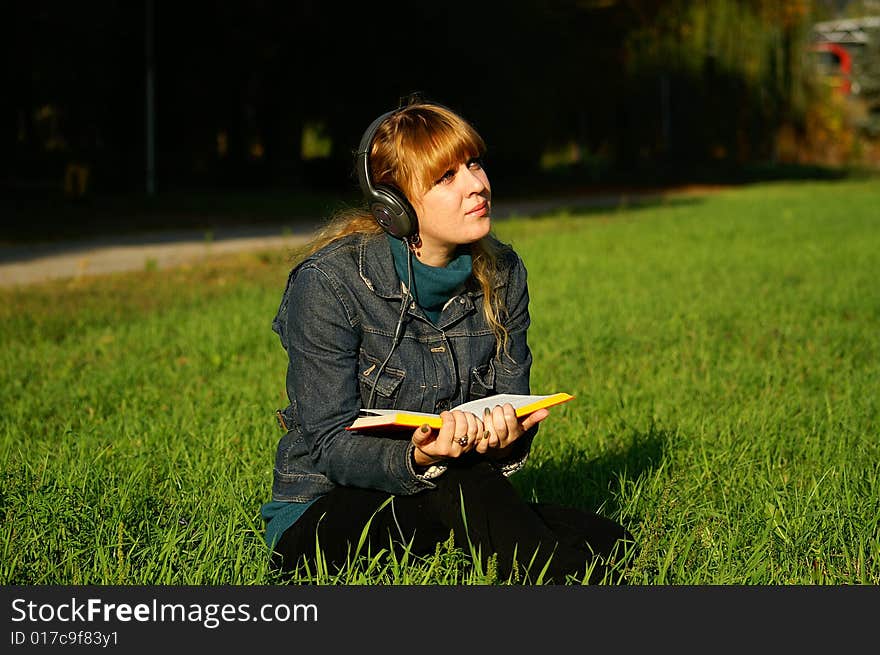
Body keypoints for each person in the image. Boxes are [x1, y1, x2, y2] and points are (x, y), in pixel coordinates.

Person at [261, 98, 634, 584]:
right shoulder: (329, 285)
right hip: (322, 509)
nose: (477, 185)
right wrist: (419, 456)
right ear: (393, 206)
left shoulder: (503, 275)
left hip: (451, 490)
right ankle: (555, 579)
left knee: (608, 537)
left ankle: (519, 555)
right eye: (446, 178)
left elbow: (506, 401)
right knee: (465, 483)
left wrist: (506, 439)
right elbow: (329, 443)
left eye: (474, 163)